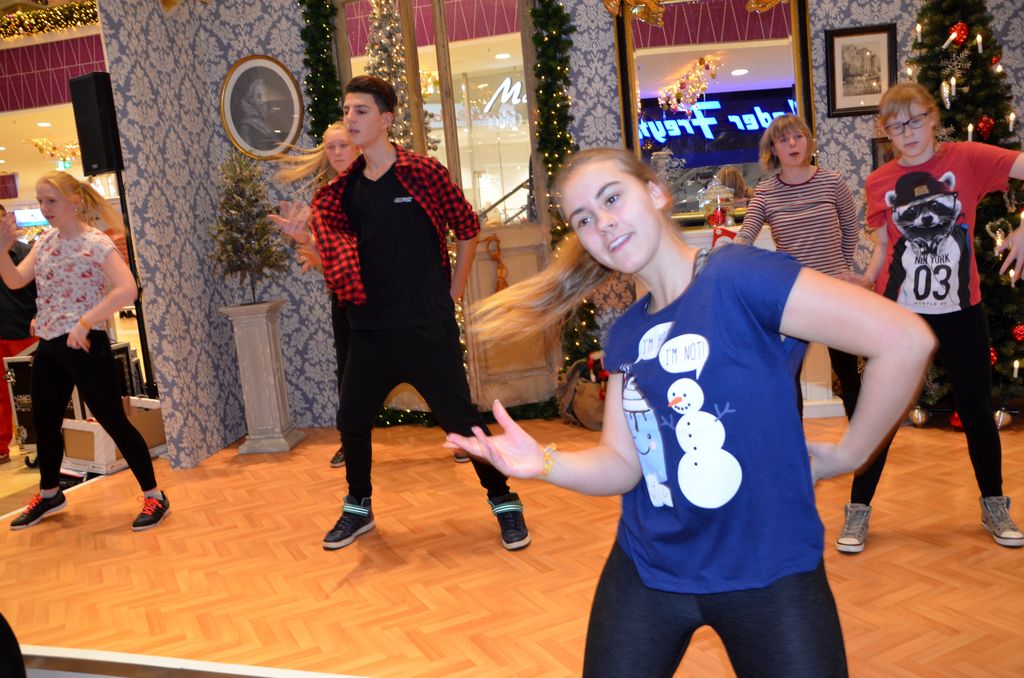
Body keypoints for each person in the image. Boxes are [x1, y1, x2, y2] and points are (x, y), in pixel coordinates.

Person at [444, 147, 935, 676]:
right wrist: (542, 462)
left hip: (769, 571)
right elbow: (623, 464)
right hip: (649, 569)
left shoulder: (738, 277)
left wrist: (850, 455)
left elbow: (904, 340)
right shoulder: (627, 333)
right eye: (583, 219)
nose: (602, 223)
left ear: (656, 193)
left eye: (612, 199)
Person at [278, 75, 530, 552]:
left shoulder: (423, 173)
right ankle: (358, 507)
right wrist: (305, 238)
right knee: (352, 419)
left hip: (425, 327)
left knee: (461, 422)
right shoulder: (343, 191)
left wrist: (455, 288)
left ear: (386, 120)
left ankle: (504, 499)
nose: (350, 118)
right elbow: (340, 259)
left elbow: (467, 227)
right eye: (346, 110)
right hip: (369, 330)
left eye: (360, 111)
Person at [838, 82, 1024, 552]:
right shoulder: (880, 181)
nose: (908, 132)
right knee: (880, 416)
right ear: (886, 132)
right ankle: (857, 511)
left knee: (977, 412)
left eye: (915, 119)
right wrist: (867, 278)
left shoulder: (967, 158)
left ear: (933, 117)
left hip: (962, 312)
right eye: (895, 125)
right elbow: (884, 244)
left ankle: (994, 505)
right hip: (900, 319)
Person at [0, 172, 169, 531]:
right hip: (51, 346)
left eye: (51, 201)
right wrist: (1, 250)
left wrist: (86, 321)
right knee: (44, 423)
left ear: (74, 201)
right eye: (40, 201)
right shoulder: (45, 241)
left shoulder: (96, 242)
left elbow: (127, 289)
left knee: (113, 420)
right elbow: (15, 280)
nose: (44, 208)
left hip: (87, 345)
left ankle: (154, 495)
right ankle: (50, 494)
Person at [732, 114, 863, 420]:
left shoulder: (832, 181)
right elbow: (747, 232)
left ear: (808, 141)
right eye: (783, 139)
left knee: (848, 372)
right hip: (793, 294)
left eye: (798, 136)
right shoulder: (765, 191)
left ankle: (864, 444)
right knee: (788, 376)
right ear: (773, 149)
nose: (792, 144)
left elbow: (851, 229)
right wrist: (731, 248)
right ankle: (793, 445)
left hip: (833, 292)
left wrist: (841, 266)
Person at [272, 120, 359, 469]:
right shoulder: (324, 197)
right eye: (330, 147)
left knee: (420, 365)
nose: (336, 152)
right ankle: (350, 443)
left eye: (343, 145)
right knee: (349, 373)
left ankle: (462, 435)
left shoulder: (373, 187)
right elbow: (331, 257)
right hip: (346, 300)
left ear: (358, 145)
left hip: (385, 297)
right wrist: (307, 243)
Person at [0, 204, 38, 464]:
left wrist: (38, 315)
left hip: (25, 334)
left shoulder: (27, 254)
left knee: (32, 393)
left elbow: (43, 291)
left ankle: (42, 442)